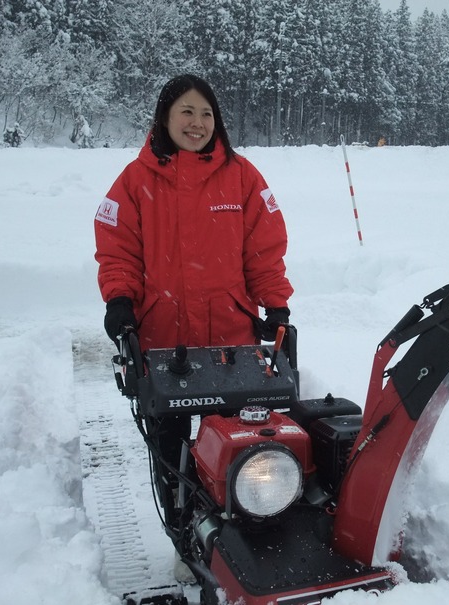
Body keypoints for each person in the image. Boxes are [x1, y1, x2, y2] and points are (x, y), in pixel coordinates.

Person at [94, 74, 293, 579]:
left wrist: (276, 306)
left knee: (234, 440)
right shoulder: (134, 182)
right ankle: (185, 537)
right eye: (186, 112)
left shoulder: (243, 177)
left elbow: (264, 251)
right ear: (165, 116)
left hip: (232, 342)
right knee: (170, 449)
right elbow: (117, 250)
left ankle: (238, 529)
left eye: (205, 113)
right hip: (162, 343)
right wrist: (119, 301)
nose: (196, 123)